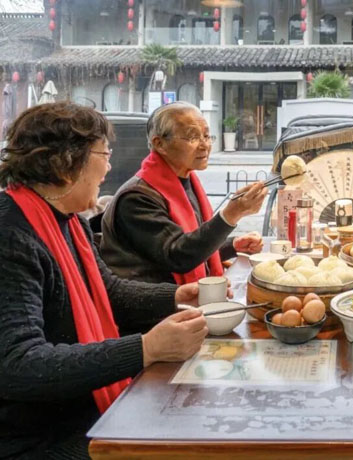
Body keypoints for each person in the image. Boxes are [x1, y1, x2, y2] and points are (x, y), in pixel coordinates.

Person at [0, 102, 209, 458]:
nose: (109, 166)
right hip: (41, 436)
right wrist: (145, 349)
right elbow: (19, 363)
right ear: (66, 162)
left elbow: (108, 291)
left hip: (81, 410)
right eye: (104, 154)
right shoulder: (11, 236)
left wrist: (177, 297)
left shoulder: (70, 222)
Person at [100, 101, 267, 285]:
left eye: (206, 136)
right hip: (158, 299)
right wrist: (231, 215)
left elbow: (193, 243)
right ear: (159, 144)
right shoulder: (137, 198)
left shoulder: (187, 180)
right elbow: (178, 255)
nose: (204, 145)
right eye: (192, 137)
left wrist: (231, 246)